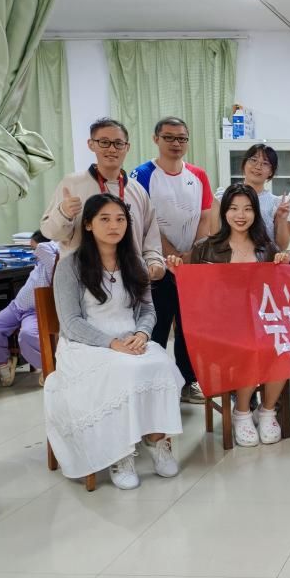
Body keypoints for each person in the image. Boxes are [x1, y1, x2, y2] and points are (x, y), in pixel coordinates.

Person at [44, 194, 182, 490]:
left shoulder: (135, 263)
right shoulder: (70, 266)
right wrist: (112, 343)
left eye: (120, 219)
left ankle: (157, 440)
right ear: (88, 224)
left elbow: (148, 310)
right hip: (85, 345)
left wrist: (142, 334)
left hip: (131, 339)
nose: (113, 226)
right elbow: (71, 323)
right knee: (123, 370)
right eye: (104, 219)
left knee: (162, 364)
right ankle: (121, 454)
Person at [170, 184, 290, 446]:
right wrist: (178, 270)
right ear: (224, 212)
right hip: (218, 329)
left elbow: (277, 293)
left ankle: (267, 410)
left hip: (259, 323)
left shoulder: (266, 248)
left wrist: (283, 267)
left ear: (255, 213)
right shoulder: (205, 248)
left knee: (284, 346)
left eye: (247, 209)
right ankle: (242, 411)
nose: (240, 215)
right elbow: (194, 291)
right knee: (249, 347)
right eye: (234, 208)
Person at [131, 116, 215, 404]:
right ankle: (153, 387)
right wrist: (170, 255)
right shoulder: (142, 174)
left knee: (190, 327)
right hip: (155, 264)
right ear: (156, 139)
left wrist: (192, 254)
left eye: (181, 138)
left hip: (191, 266)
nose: (176, 143)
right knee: (157, 324)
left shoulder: (198, 175)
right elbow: (145, 220)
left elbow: (205, 217)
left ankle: (187, 382)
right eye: (169, 137)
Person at [41, 117, 165, 277]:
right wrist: (63, 213)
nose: (112, 149)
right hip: (82, 278)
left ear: (127, 147)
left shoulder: (137, 191)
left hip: (128, 278)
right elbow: (50, 233)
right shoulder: (72, 184)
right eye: (104, 142)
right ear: (91, 144)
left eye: (118, 143)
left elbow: (151, 239)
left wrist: (154, 262)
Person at [0, 231, 58, 387]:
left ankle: (46, 367)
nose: (33, 252)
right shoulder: (39, 262)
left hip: (34, 312)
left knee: (27, 335)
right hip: (17, 306)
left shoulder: (52, 262)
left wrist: (51, 239)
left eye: (33, 248)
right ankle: (4, 363)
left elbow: (44, 248)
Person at [214, 143, 290, 249]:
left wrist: (282, 219)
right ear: (244, 164)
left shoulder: (275, 203)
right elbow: (215, 234)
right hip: (230, 256)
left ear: (271, 172)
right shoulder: (224, 197)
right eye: (253, 160)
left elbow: (282, 246)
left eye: (265, 163)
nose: (258, 167)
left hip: (264, 257)